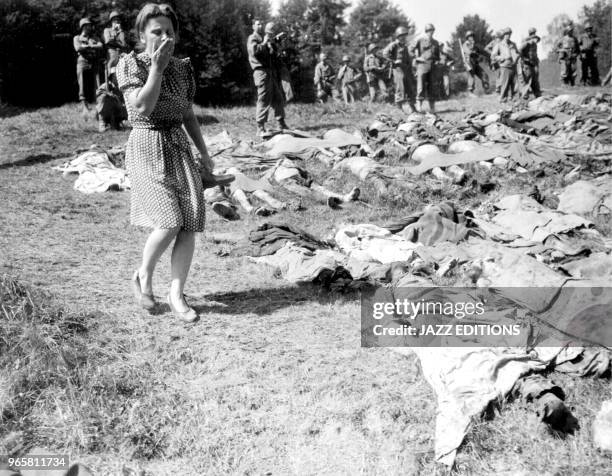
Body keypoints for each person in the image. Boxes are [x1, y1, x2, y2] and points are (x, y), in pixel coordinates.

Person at [116, 3, 232, 322]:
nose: (164, 37)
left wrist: (205, 154)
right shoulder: (131, 65)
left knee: (189, 224)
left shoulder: (182, 69)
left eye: (169, 31)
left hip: (177, 146)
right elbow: (142, 107)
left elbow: (186, 113)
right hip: (146, 145)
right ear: (142, 35)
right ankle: (143, 275)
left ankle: (176, 293)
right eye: (157, 31)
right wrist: (156, 67)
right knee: (168, 222)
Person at [247, 20, 288, 137]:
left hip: (270, 72)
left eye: (261, 24)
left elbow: (270, 53)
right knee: (264, 98)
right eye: (257, 24)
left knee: (278, 97)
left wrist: (276, 41)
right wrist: (265, 42)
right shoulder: (252, 38)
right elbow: (254, 51)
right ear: (253, 26)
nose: (260, 26)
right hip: (261, 72)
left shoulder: (262, 39)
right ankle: (260, 127)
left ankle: (281, 123)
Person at [382, 26, 416, 112]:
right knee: (400, 87)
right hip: (397, 69)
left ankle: (413, 108)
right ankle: (399, 109)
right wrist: (393, 61)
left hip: (406, 69)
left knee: (409, 88)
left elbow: (408, 58)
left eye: (405, 35)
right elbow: (385, 54)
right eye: (402, 35)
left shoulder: (405, 46)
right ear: (398, 36)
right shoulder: (394, 45)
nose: (404, 37)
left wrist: (411, 68)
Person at [73, 18, 104, 110]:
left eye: (89, 26)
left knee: (98, 82)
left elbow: (100, 45)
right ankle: (83, 103)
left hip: (94, 61)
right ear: (82, 27)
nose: (89, 27)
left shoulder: (94, 38)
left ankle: (100, 102)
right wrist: (92, 47)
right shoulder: (77, 38)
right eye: (86, 26)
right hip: (82, 61)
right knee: (82, 82)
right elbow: (78, 48)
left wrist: (88, 46)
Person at [410, 23, 440, 113]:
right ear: (426, 31)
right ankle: (419, 107)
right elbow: (410, 50)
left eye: (432, 31)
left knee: (432, 87)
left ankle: (432, 108)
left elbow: (437, 56)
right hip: (422, 66)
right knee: (421, 87)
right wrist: (417, 58)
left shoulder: (436, 43)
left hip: (432, 67)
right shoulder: (420, 40)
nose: (430, 33)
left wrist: (437, 61)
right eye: (429, 31)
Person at [491, 27, 519, 103]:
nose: (508, 36)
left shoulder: (513, 44)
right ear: (504, 35)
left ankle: (513, 98)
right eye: (507, 34)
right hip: (504, 66)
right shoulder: (499, 44)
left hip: (513, 66)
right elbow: (493, 56)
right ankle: (502, 99)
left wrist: (516, 57)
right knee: (505, 84)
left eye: (509, 34)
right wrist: (501, 58)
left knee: (514, 85)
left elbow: (517, 53)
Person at [103, 10, 128, 83]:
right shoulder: (107, 30)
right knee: (112, 74)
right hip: (112, 55)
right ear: (111, 21)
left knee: (122, 75)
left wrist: (120, 32)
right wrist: (114, 32)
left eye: (118, 20)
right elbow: (108, 41)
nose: (117, 21)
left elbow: (123, 45)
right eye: (115, 20)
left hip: (121, 55)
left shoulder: (121, 32)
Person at [518, 27, 541, 99]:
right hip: (527, 64)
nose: (535, 39)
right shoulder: (526, 43)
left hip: (533, 64)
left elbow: (534, 54)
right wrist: (524, 59)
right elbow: (519, 51)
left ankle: (537, 94)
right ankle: (524, 95)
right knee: (526, 79)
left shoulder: (534, 44)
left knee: (535, 80)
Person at [556, 22, 579, 86]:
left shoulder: (575, 39)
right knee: (564, 69)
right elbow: (557, 47)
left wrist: (576, 54)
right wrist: (562, 50)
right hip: (565, 56)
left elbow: (578, 48)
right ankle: (564, 83)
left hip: (573, 55)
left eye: (571, 31)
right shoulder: (563, 39)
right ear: (567, 31)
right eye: (569, 31)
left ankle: (572, 83)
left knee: (573, 69)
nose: (570, 32)